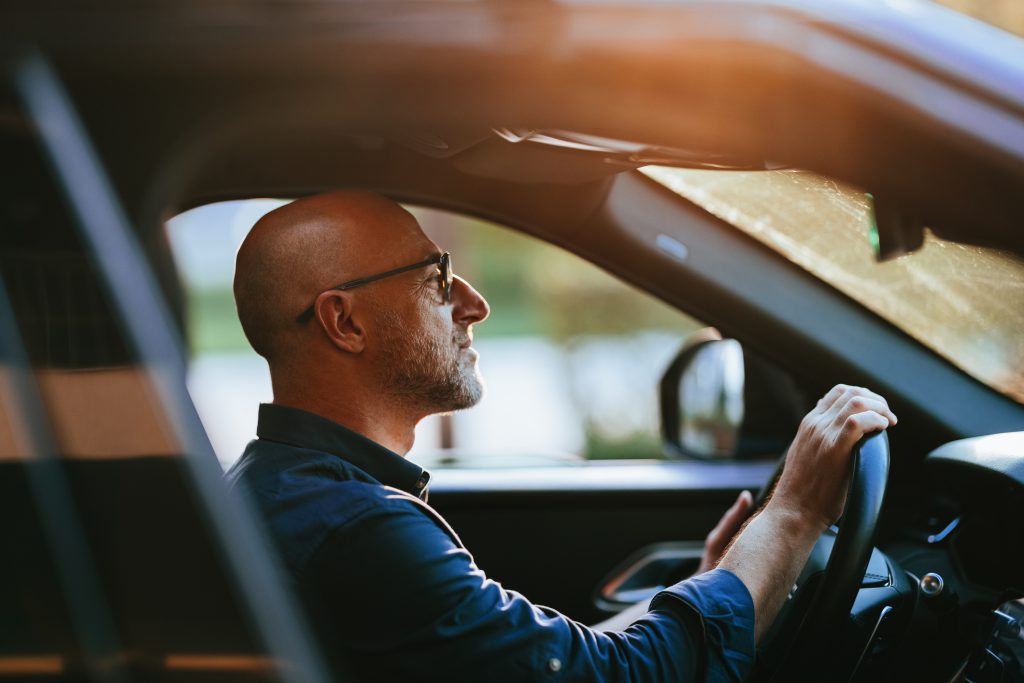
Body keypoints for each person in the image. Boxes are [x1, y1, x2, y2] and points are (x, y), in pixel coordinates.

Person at [225, 190, 897, 682]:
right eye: (436, 279)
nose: (475, 303)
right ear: (346, 321)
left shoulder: (290, 492)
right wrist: (794, 514)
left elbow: (547, 661)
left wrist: (718, 578)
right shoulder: (355, 528)